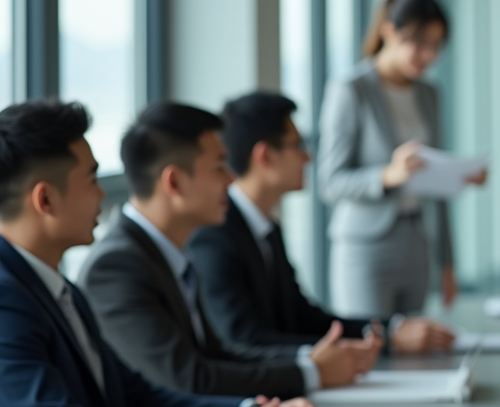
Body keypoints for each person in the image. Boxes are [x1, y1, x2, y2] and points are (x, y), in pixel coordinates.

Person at [0, 100, 317, 407]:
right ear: (45, 200)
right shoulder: (7, 299)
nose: (104, 196)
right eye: (92, 180)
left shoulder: (58, 289)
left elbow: (136, 396)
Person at [78, 102, 377, 399]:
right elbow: (187, 379)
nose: (231, 178)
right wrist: (310, 372)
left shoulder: (168, 252)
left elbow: (216, 355)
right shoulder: (117, 267)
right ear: (175, 181)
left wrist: (309, 365)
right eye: (219, 167)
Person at [188, 91, 456, 354]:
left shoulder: (265, 230)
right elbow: (245, 340)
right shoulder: (215, 237)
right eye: (298, 145)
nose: (309, 157)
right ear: (265, 157)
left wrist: (390, 330)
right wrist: (354, 349)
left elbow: (304, 317)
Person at [320, 0, 484, 319]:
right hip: (365, 248)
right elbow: (330, 182)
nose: (428, 55)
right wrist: (388, 175)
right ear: (388, 32)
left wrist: (448, 263)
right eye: (420, 42)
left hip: (417, 244)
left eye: (437, 45)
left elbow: (436, 191)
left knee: (415, 354)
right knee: (371, 352)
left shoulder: (429, 94)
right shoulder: (351, 89)